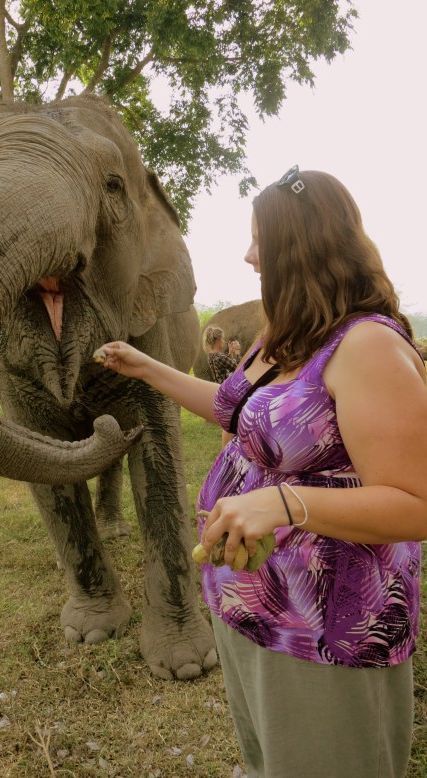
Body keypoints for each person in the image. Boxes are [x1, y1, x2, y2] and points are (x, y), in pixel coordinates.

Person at [96, 166, 427, 778]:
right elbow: (231, 409)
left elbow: (415, 503)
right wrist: (146, 368)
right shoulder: (280, 335)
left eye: (260, 240)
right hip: (245, 599)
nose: (249, 256)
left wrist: (286, 503)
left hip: (326, 628)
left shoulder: (367, 348)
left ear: (303, 245)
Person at [203, 325, 238, 447]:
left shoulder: (211, 356)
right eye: (222, 339)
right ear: (217, 340)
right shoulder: (219, 357)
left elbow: (225, 364)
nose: (223, 341)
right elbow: (238, 368)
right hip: (229, 392)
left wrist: (230, 352)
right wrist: (237, 352)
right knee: (230, 424)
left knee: (228, 423)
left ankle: (227, 449)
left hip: (221, 390)